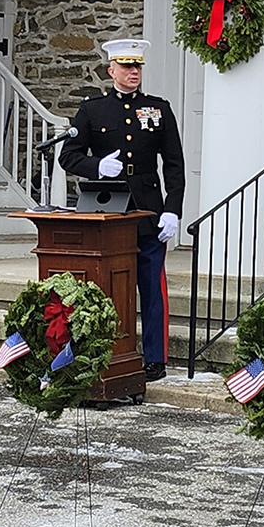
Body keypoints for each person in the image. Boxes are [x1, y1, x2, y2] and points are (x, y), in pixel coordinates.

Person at [59, 38, 185, 382]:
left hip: (147, 209)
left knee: (151, 285)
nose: (133, 72)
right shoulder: (92, 110)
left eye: (138, 66)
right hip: (107, 208)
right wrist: (98, 167)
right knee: (106, 285)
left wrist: (173, 209)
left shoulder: (158, 109)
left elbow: (174, 164)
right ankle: (102, 353)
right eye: (126, 66)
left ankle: (155, 358)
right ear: (110, 69)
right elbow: (68, 156)